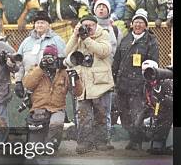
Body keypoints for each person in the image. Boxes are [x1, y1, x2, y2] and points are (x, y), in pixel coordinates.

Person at [64, 14, 114, 154]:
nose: (87, 28)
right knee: (83, 115)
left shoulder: (104, 34)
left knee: (101, 114)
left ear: (96, 25)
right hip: (83, 83)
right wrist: (75, 36)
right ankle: (84, 142)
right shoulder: (78, 37)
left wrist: (87, 39)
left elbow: (103, 51)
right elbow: (67, 52)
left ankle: (101, 142)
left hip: (100, 83)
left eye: (90, 25)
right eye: (84, 25)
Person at [112, 9, 159, 151]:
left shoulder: (151, 41)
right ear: (132, 24)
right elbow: (116, 61)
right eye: (136, 22)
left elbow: (153, 63)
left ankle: (137, 140)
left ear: (145, 25)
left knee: (137, 115)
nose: (138, 25)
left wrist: (148, 83)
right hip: (122, 85)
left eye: (141, 22)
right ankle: (135, 138)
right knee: (124, 114)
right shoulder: (126, 39)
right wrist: (114, 78)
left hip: (139, 86)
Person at [23, 45, 83, 152]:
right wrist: (40, 68)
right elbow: (27, 85)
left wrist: (76, 79)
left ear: (56, 58)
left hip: (57, 108)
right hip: (39, 108)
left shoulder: (63, 72)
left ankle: (51, 147)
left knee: (56, 125)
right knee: (34, 148)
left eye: (51, 58)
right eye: (46, 57)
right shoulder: (37, 69)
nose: (49, 60)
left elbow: (77, 93)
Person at [14, 10, 67, 92]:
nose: (39, 25)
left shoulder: (57, 40)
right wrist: (18, 81)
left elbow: (64, 63)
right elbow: (19, 64)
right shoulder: (26, 42)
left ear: (48, 25)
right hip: (29, 85)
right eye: (37, 23)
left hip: (50, 86)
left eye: (42, 23)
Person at [140, 60, 173, 155]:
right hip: (158, 112)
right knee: (145, 122)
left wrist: (162, 98)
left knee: (166, 117)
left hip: (167, 113)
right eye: (144, 71)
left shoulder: (166, 83)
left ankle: (167, 145)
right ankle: (157, 144)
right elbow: (147, 103)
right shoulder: (147, 85)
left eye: (150, 71)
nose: (146, 74)